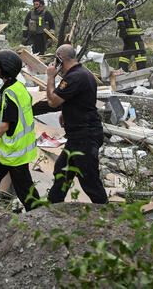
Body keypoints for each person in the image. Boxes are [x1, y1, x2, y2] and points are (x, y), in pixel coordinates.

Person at [0, 49, 41, 224]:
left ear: (0, 69)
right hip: (16, 149)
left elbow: (5, 125)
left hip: (14, 151)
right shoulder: (18, 87)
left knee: (24, 191)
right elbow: (7, 117)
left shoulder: (9, 93)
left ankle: (41, 220)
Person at [45, 44, 108, 205]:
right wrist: (65, 112)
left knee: (90, 181)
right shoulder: (83, 73)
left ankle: (107, 217)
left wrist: (50, 77)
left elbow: (52, 101)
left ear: (61, 59)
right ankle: (53, 207)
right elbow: (81, 100)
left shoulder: (74, 77)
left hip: (84, 136)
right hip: (78, 136)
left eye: (56, 61)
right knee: (61, 171)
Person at [115, 0, 147, 71]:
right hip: (131, 32)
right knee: (140, 50)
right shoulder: (121, 0)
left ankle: (122, 70)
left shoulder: (127, 0)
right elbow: (119, 15)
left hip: (130, 32)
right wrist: (122, 29)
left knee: (127, 52)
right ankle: (142, 70)